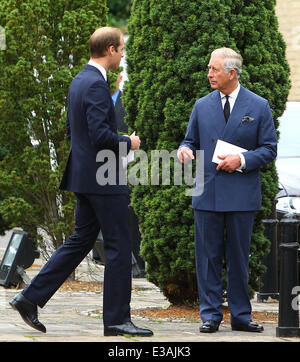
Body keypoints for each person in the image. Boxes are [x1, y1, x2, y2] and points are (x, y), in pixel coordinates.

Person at [9, 27, 153, 337]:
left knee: (80, 240)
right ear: (110, 50)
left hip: (84, 176)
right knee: (118, 246)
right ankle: (116, 320)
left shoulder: (79, 81)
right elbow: (101, 136)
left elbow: (71, 131)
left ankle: (29, 298)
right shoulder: (97, 85)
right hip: (104, 177)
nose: (123, 54)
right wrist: (130, 141)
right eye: (121, 49)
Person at [178, 48, 277, 333]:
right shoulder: (201, 105)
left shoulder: (258, 106)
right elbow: (189, 141)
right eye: (209, 68)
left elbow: (269, 149)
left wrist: (242, 160)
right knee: (207, 258)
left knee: (238, 258)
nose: (209, 74)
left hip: (241, 194)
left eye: (214, 69)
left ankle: (241, 316)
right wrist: (185, 151)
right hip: (206, 191)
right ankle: (209, 315)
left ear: (232, 73)